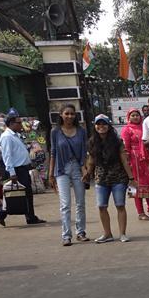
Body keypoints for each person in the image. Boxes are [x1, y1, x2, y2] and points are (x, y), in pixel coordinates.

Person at [84, 114, 134, 243]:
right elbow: (91, 160)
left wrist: (131, 177)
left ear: (109, 126)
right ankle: (107, 234)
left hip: (118, 177)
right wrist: (87, 174)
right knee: (101, 206)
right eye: (98, 124)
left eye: (104, 124)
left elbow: (124, 160)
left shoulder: (117, 141)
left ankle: (122, 234)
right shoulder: (92, 142)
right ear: (95, 126)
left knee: (120, 205)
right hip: (101, 178)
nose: (101, 126)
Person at [47, 104, 89, 245]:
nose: (69, 116)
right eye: (67, 113)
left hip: (77, 168)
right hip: (61, 169)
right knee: (65, 204)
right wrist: (50, 174)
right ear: (61, 115)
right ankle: (66, 235)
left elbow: (84, 152)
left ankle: (81, 232)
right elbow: (53, 152)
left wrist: (85, 169)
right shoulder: (55, 132)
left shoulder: (81, 131)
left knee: (80, 203)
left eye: (72, 114)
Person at [0, 112, 45, 227]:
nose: (21, 125)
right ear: (12, 123)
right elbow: (7, 156)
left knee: (26, 193)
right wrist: (12, 173)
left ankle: (30, 216)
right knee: (17, 194)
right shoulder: (7, 136)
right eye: (19, 123)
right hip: (17, 170)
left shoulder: (15, 135)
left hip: (23, 168)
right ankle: (2, 213)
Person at [120, 108, 149, 220]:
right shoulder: (126, 129)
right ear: (129, 117)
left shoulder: (144, 126)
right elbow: (126, 147)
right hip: (134, 160)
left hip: (147, 160)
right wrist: (128, 161)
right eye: (132, 115)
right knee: (136, 186)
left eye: (137, 115)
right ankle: (140, 213)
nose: (135, 117)